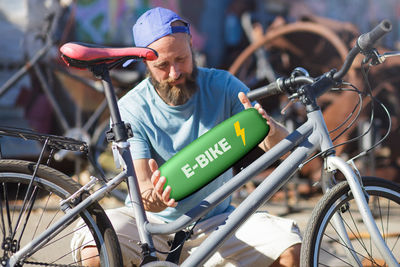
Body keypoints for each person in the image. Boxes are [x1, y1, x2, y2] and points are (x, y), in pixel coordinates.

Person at [73, 7, 302, 267]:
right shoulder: (131, 109)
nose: (175, 73)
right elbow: (143, 186)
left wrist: (270, 131)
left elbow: (286, 150)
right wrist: (155, 200)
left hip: (217, 222)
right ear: (145, 63)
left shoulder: (224, 86)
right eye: (162, 65)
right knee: (95, 245)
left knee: (289, 248)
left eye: (181, 59)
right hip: (150, 225)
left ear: (192, 45)